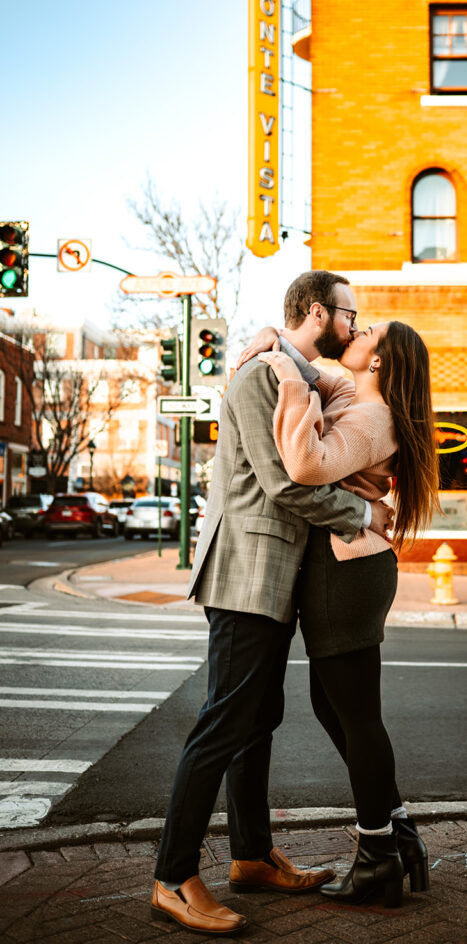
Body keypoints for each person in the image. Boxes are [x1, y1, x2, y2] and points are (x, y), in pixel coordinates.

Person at [150, 272, 394, 937]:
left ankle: (252, 857)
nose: (354, 323)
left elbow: (345, 406)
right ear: (317, 311)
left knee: (259, 716)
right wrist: (364, 509)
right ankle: (173, 877)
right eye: (349, 313)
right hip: (245, 570)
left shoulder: (290, 370)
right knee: (225, 720)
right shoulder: (262, 376)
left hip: (273, 576)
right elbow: (286, 485)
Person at [253, 318, 440, 908]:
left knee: (357, 716)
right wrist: (283, 345)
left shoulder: (370, 418)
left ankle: (378, 855)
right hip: (351, 566)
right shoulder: (366, 404)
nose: (357, 334)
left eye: (370, 332)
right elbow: (326, 387)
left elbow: (304, 466)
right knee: (335, 706)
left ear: (379, 360)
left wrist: (282, 370)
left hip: (347, 569)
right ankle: (398, 831)